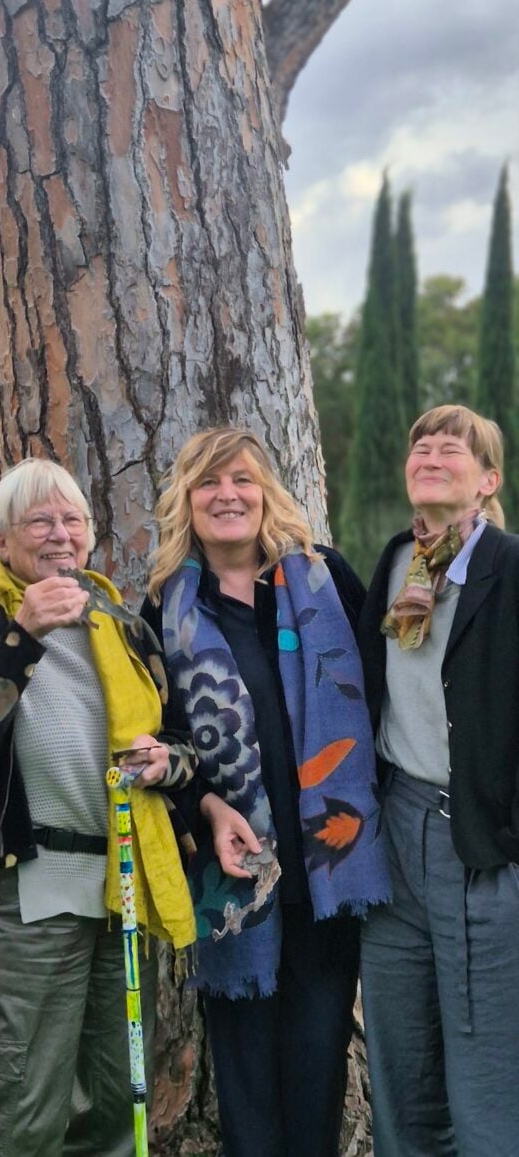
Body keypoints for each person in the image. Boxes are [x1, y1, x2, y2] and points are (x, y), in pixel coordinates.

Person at [0, 457, 196, 1157]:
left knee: (109, 1097)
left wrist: (166, 761)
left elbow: (184, 744)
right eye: (39, 520)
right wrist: (24, 636)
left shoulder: (123, 624)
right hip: (29, 889)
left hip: (121, 890)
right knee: (18, 1098)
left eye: (73, 519)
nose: (61, 534)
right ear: (2, 540)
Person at [143, 426, 390, 1157]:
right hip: (235, 878)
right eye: (209, 483)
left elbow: (378, 697)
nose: (228, 496)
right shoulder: (168, 610)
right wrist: (207, 806)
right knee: (245, 1082)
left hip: (328, 869)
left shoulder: (326, 580)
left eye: (243, 480)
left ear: (266, 492)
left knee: (317, 1076)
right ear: (187, 500)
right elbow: (162, 743)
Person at [359, 404, 519, 1155]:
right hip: (397, 838)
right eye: (420, 443)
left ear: (487, 481)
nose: (430, 452)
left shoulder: (511, 570)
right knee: (400, 1059)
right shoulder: (399, 564)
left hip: (485, 845)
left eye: (452, 448)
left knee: (488, 1069)